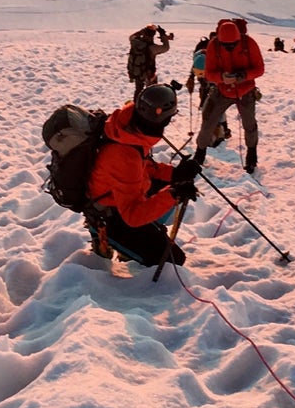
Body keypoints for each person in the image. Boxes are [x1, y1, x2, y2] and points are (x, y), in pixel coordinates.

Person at [87, 83, 197, 266]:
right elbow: (133, 215)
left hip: (121, 194)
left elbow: (143, 165)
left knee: (165, 190)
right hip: (111, 214)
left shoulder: (130, 127)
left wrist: (175, 173)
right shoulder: (124, 154)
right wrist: (173, 194)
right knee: (172, 261)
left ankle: (139, 239)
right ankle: (101, 234)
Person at [193, 17, 265, 174]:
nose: (230, 48)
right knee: (208, 122)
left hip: (245, 91)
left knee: (249, 124)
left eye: (233, 45)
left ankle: (251, 156)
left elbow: (260, 69)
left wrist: (244, 75)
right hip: (223, 90)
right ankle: (199, 154)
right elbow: (209, 73)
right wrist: (222, 78)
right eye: (226, 45)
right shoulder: (214, 46)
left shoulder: (249, 43)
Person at [126, 22, 173, 98]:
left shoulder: (134, 43)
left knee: (138, 90)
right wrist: (162, 34)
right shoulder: (152, 48)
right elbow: (165, 47)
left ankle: (136, 105)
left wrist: (142, 31)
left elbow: (131, 36)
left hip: (137, 72)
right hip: (148, 74)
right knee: (151, 92)